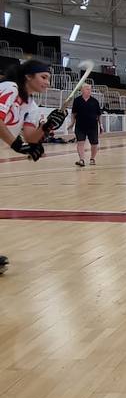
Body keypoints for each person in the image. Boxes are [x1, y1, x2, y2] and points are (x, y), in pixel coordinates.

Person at [0, 58, 66, 271]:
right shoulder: (9, 88)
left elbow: (31, 137)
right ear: (28, 76)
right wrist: (16, 145)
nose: (47, 82)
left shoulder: (31, 105)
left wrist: (48, 126)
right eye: (43, 77)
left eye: (49, 78)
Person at [71, 82, 103, 166]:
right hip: (80, 126)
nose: (89, 91)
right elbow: (73, 113)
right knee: (80, 142)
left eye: (90, 89)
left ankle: (92, 159)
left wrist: (101, 125)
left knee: (94, 143)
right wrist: (72, 123)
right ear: (82, 90)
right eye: (87, 89)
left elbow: (99, 115)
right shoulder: (77, 100)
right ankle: (81, 160)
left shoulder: (95, 101)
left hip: (92, 126)